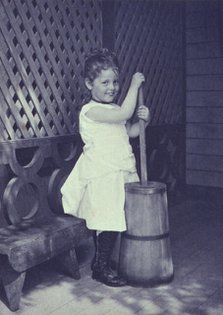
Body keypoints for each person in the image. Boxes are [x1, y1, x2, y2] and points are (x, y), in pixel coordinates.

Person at [61, 48, 150, 287]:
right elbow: (124, 112)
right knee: (108, 218)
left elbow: (129, 131)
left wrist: (144, 122)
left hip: (119, 169)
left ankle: (103, 262)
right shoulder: (91, 111)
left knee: (116, 217)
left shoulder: (112, 110)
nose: (112, 87)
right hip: (103, 173)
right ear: (89, 84)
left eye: (116, 82)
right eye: (105, 82)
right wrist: (133, 86)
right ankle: (100, 266)